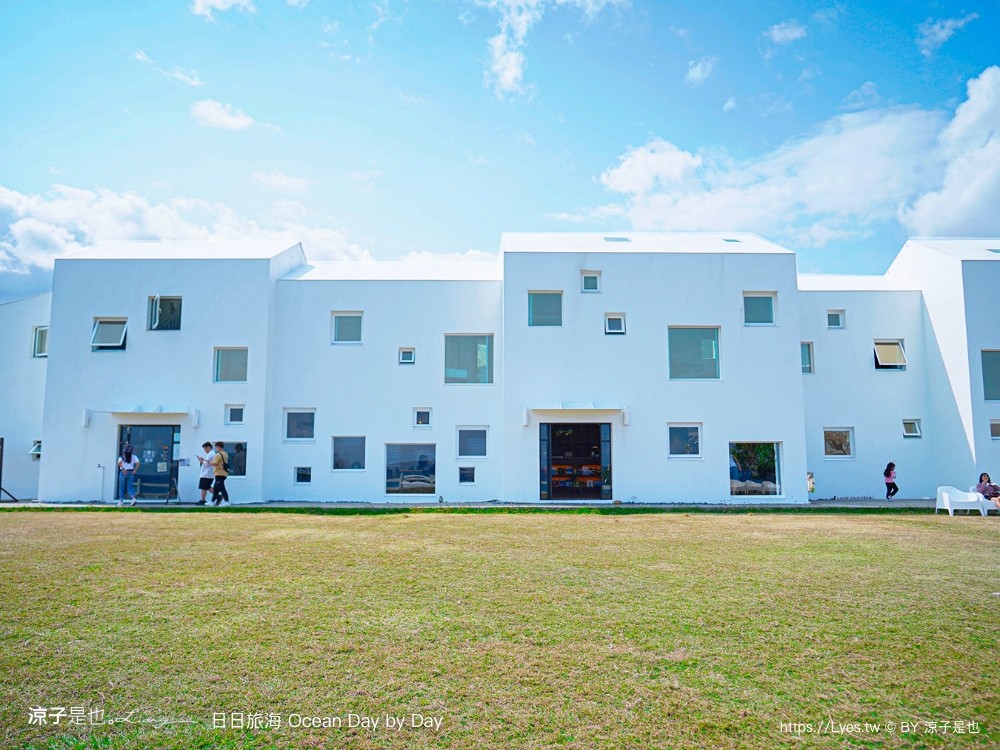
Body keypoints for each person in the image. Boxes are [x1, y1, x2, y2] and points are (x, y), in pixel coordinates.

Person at [211, 441, 230, 506]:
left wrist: (209, 462)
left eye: (216, 447)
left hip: (219, 473)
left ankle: (227, 501)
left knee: (222, 488)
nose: (216, 448)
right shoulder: (225, 454)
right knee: (216, 488)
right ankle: (212, 501)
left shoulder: (218, 454)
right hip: (224, 473)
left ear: (218, 447)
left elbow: (215, 464)